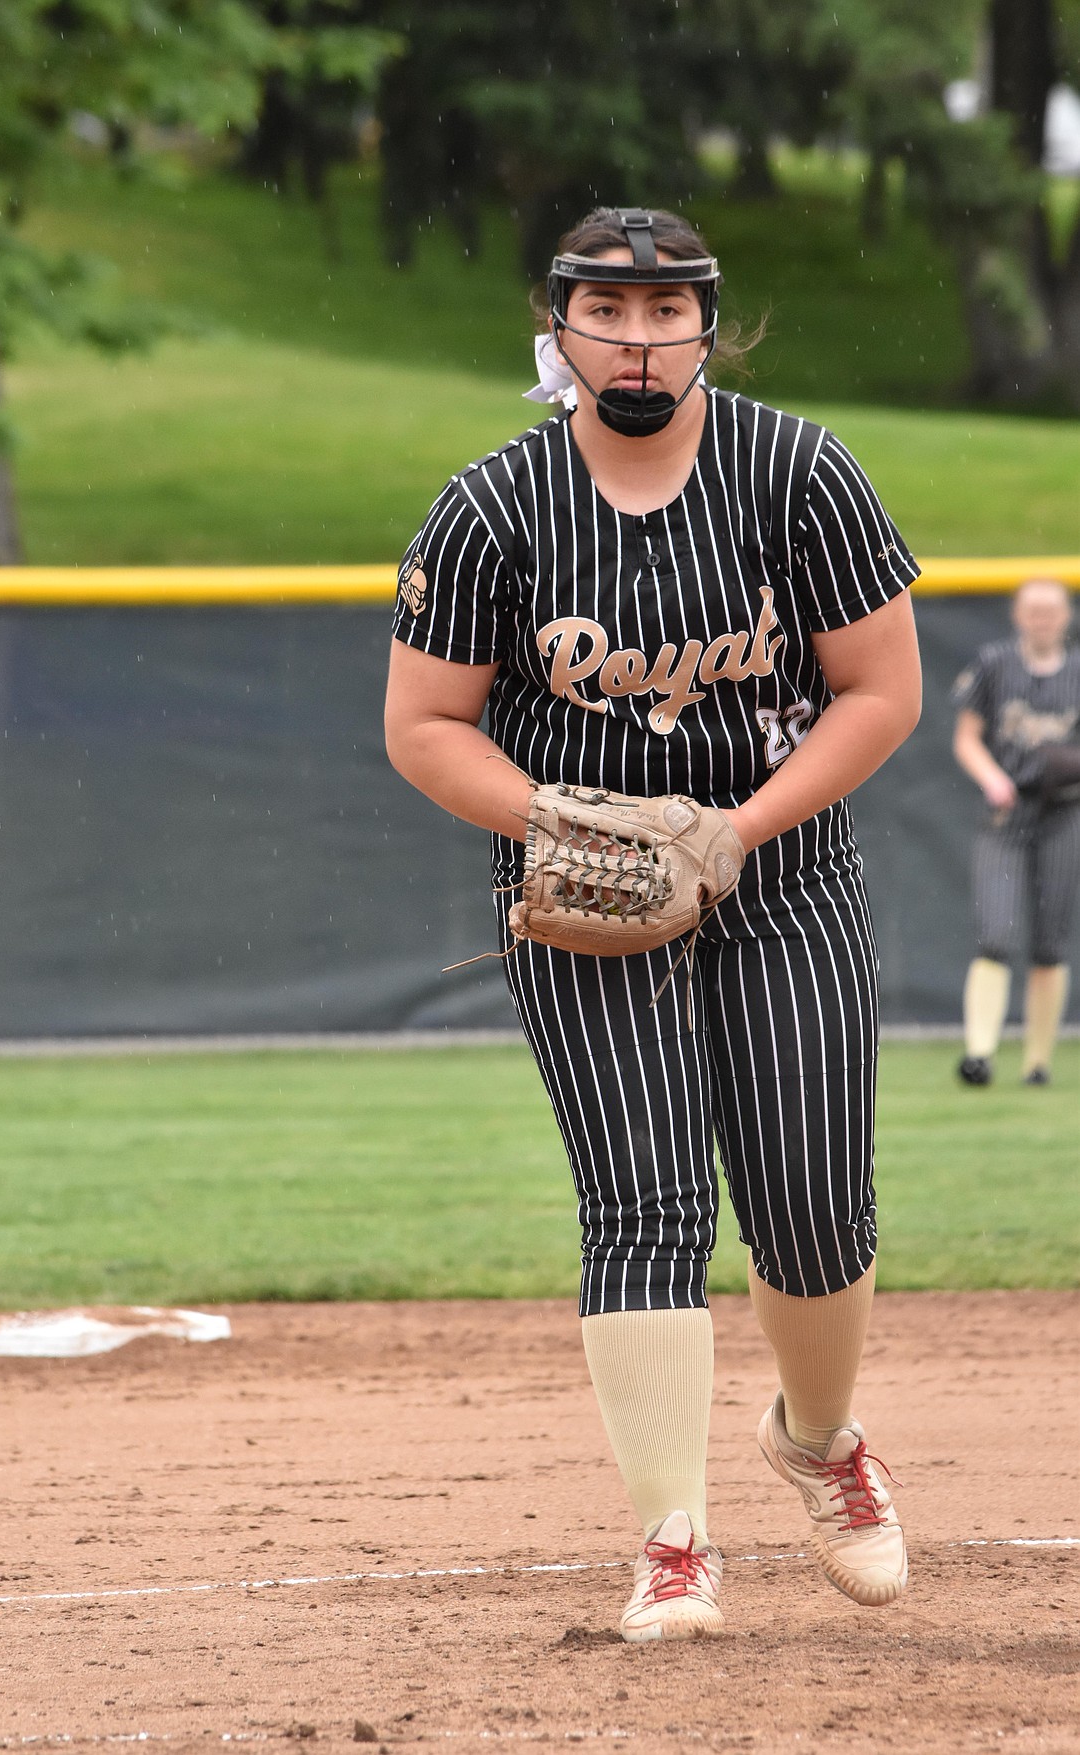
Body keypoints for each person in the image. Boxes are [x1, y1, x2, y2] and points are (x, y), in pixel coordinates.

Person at [384, 207, 922, 1643]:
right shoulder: (491, 509)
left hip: (782, 865)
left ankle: (816, 1440)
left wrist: (732, 830)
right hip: (580, 894)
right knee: (641, 1197)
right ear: (553, 328)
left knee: (810, 1201)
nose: (634, 337)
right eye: (603, 310)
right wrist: (559, 825)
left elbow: (880, 691)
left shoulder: (797, 473)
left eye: (662, 310)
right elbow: (425, 724)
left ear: (708, 325)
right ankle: (672, 1536)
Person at [952, 578, 1080, 1087]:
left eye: (1052, 610)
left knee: (1050, 941)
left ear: (1067, 615)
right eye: (1033, 610)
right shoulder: (994, 663)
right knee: (995, 932)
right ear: (1016, 614)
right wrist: (993, 778)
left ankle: (1037, 1062)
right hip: (1008, 814)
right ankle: (979, 1054)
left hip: (1064, 814)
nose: (1043, 619)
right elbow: (966, 738)